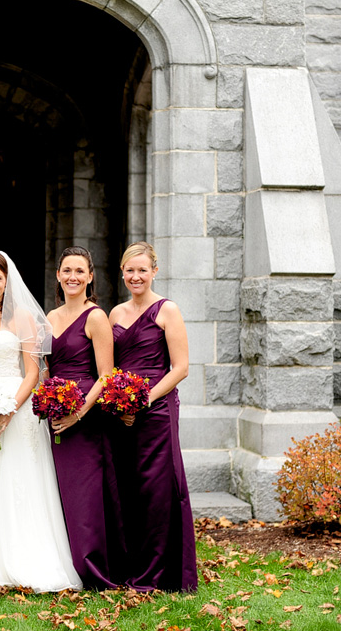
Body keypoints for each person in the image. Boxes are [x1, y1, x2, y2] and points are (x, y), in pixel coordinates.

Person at [0, 250, 81, 593]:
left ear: (7, 281)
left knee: (17, 481)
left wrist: (9, 410)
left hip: (17, 410)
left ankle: (24, 558)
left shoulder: (21, 317)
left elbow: (34, 371)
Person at [109, 241, 197, 592]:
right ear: (122, 273)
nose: (136, 276)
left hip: (157, 411)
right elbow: (111, 367)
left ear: (154, 271)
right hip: (123, 414)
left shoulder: (167, 310)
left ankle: (161, 572)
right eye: (130, 270)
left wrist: (142, 401)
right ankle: (129, 565)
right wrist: (119, 403)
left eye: (142, 270)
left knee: (157, 490)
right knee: (127, 487)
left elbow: (181, 368)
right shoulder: (115, 314)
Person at [45, 246, 126, 589]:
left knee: (86, 498)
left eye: (80, 271)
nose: (73, 277)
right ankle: (65, 566)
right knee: (59, 494)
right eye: (67, 270)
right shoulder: (48, 317)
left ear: (90, 277)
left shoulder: (96, 317)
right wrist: (47, 403)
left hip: (87, 419)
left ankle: (92, 569)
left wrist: (77, 413)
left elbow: (106, 375)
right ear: (59, 275)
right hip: (56, 417)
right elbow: (45, 368)